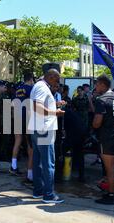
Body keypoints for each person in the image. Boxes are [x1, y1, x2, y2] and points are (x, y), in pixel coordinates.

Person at [28, 69, 65, 204]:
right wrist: (56, 112)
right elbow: (37, 107)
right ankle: (48, 194)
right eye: (57, 79)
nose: (58, 82)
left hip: (37, 128)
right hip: (44, 129)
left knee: (38, 162)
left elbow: (41, 105)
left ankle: (38, 191)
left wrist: (55, 105)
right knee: (48, 162)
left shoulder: (40, 86)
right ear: (50, 76)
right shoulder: (42, 87)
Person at [92, 75, 114, 205]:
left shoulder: (102, 100)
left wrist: (93, 124)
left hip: (107, 136)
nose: (95, 87)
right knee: (112, 166)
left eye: (97, 85)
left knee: (109, 168)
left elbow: (97, 123)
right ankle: (110, 191)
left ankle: (111, 195)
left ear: (102, 84)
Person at [10, 73, 34, 182]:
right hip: (27, 118)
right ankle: (30, 174)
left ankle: (13, 166)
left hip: (17, 117)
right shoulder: (31, 88)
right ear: (31, 79)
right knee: (30, 145)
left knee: (17, 141)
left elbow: (13, 105)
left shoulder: (18, 89)